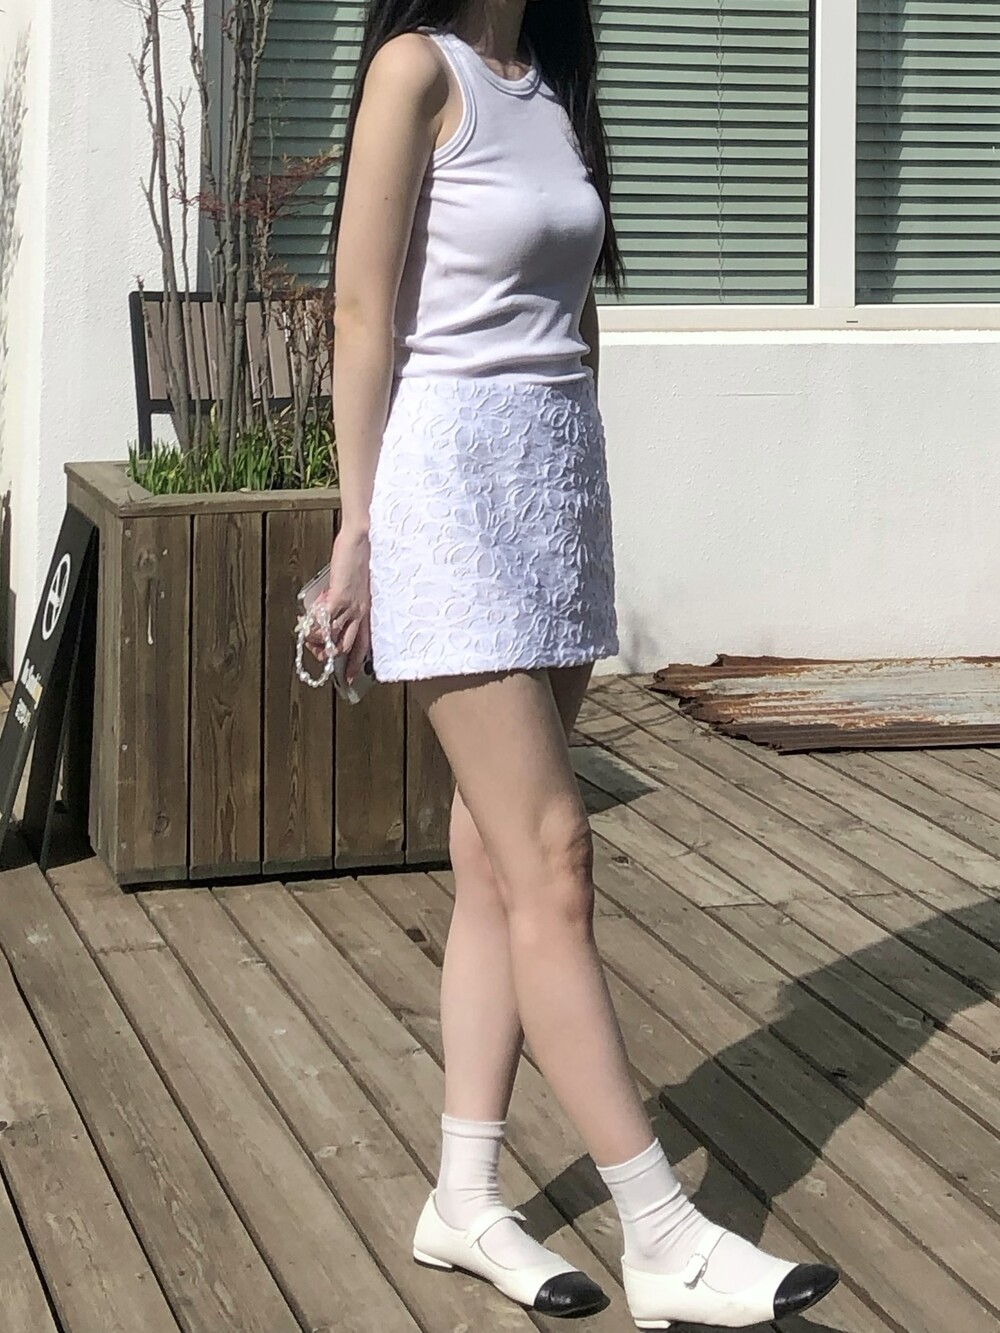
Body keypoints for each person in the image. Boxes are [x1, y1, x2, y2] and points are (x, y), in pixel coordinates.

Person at [314, 0, 840, 1325]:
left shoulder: (551, 82)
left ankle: (463, 1196)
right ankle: (659, 1231)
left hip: (552, 496)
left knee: (496, 863)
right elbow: (362, 314)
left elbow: (576, 315)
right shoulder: (414, 72)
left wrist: (583, 491)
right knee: (556, 854)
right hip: (449, 495)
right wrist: (358, 532)